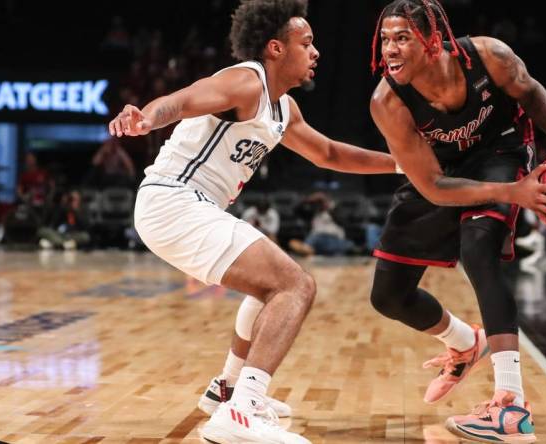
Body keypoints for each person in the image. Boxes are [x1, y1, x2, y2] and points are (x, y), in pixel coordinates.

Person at [109, 1, 398, 442]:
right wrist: (147, 117)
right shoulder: (245, 81)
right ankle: (241, 412)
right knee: (295, 285)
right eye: (307, 43)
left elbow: (331, 154)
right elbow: (184, 99)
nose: (316, 52)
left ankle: (227, 389)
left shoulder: (284, 110)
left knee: (272, 288)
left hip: (191, 208)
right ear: (276, 48)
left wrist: (404, 166)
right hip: (173, 202)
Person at [366, 1, 546, 442]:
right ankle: (466, 342)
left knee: (479, 250)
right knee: (388, 296)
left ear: (433, 40)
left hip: (501, 153)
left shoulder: (490, 57)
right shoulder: (387, 101)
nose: (390, 50)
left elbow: (532, 94)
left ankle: (511, 406)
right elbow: (431, 186)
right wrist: (514, 194)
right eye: (385, 40)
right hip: (440, 173)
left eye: (402, 38)